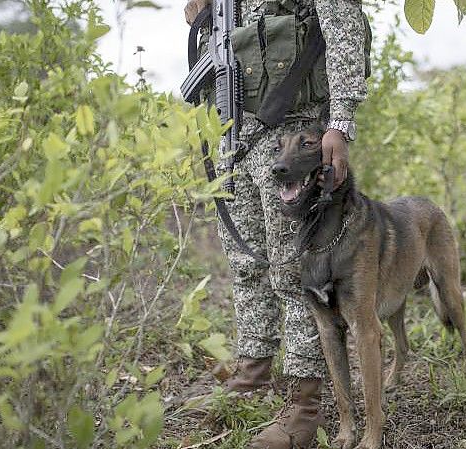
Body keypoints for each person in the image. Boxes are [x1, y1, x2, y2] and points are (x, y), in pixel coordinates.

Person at [184, 0, 368, 447]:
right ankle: (253, 376)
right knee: (247, 265)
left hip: (291, 135)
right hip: (233, 133)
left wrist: (339, 124)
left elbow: (343, 27)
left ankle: (307, 404)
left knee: (294, 273)